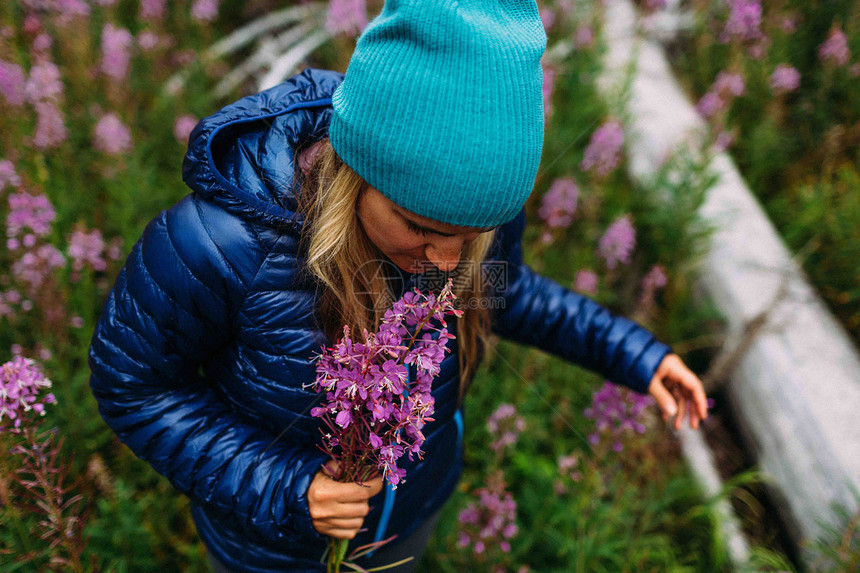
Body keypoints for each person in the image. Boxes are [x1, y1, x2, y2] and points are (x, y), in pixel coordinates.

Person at [87, 1, 708, 572]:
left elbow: (503, 293)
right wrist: (286, 486)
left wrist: (635, 354)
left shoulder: (468, 215)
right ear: (356, 170)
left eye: (471, 236)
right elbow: (132, 385)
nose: (446, 260)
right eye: (421, 228)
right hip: (270, 546)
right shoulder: (219, 244)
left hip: (410, 513)